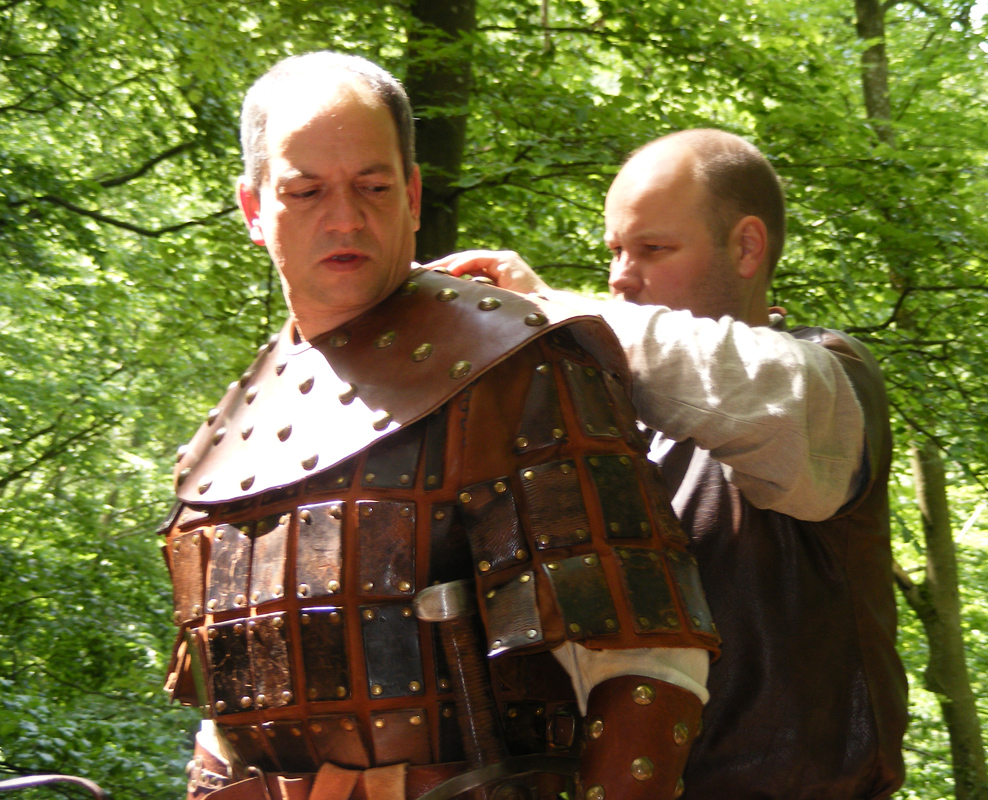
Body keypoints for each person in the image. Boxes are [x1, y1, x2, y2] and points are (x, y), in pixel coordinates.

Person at [160, 53, 722, 800]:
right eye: (306, 191)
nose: (345, 217)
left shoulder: (514, 367)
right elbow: (228, 721)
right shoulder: (234, 432)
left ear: (414, 195)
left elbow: (650, 670)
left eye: (373, 186)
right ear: (254, 209)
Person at [435, 129, 909, 799]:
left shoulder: (830, 384)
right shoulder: (619, 424)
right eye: (615, 251)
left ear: (746, 247)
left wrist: (546, 313)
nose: (620, 276)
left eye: (653, 249)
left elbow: (728, 378)